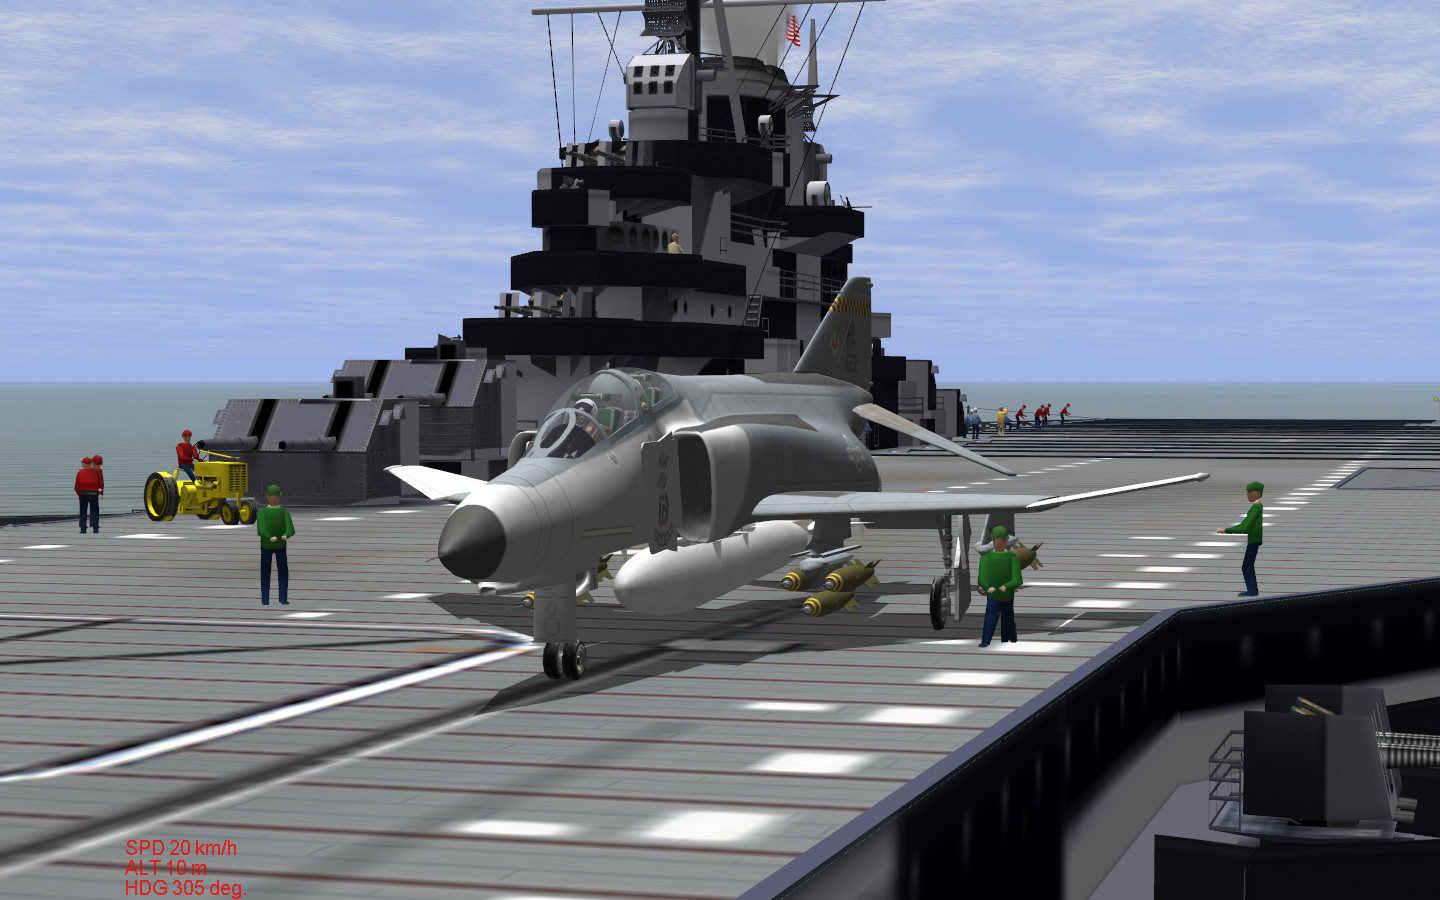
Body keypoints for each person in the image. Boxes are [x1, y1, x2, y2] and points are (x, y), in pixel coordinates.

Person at [1218, 481, 1264, 597]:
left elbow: (1245, 528)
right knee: (1248, 566)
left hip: (1253, 540)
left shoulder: (1256, 507)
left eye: (1249, 492)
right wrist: (1227, 529)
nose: (1247, 495)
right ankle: (1253, 590)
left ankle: (1252, 591)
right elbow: (1243, 524)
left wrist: (1225, 530)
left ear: (1256, 493)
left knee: (1247, 566)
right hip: (1254, 539)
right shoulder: (1257, 507)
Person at [978, 525, 1021, 646]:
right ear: (992, 540)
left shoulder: (1012, 558)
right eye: (996, 540)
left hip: (1007, 596)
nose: (998, 543)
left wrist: (1006, 587)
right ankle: (986, 641)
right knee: (990, 620)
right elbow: (982, 578)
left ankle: (1009, 639)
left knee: (1008, 620)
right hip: (994, 597)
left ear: (1006, 540)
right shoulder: (986, 559)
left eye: (1001, 540)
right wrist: (988, 588)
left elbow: (1017, 580)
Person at [257, 484, 295, 605]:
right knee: (266, 573)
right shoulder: (262, 513)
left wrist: (286, 535)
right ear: (267, 496)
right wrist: (270, 537)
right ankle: (266, 599)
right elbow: (261, 530)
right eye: (273, 496)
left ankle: (281, 598)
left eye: (276, 497)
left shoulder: (283, 512)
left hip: (277, 546)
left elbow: (291, 529)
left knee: (280, 573)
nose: (274, 499)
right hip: (270, 546)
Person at [75, 457, 102, 534]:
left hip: (83, 494)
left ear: (83, 464)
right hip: (94, 494)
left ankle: (83, 530)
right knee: (95, 511)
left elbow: (76, 487)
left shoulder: (80, 473)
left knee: (83, 512)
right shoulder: (96, 472)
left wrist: (79, 494)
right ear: (90, 464)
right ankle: (95, 529)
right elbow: (99, 484)